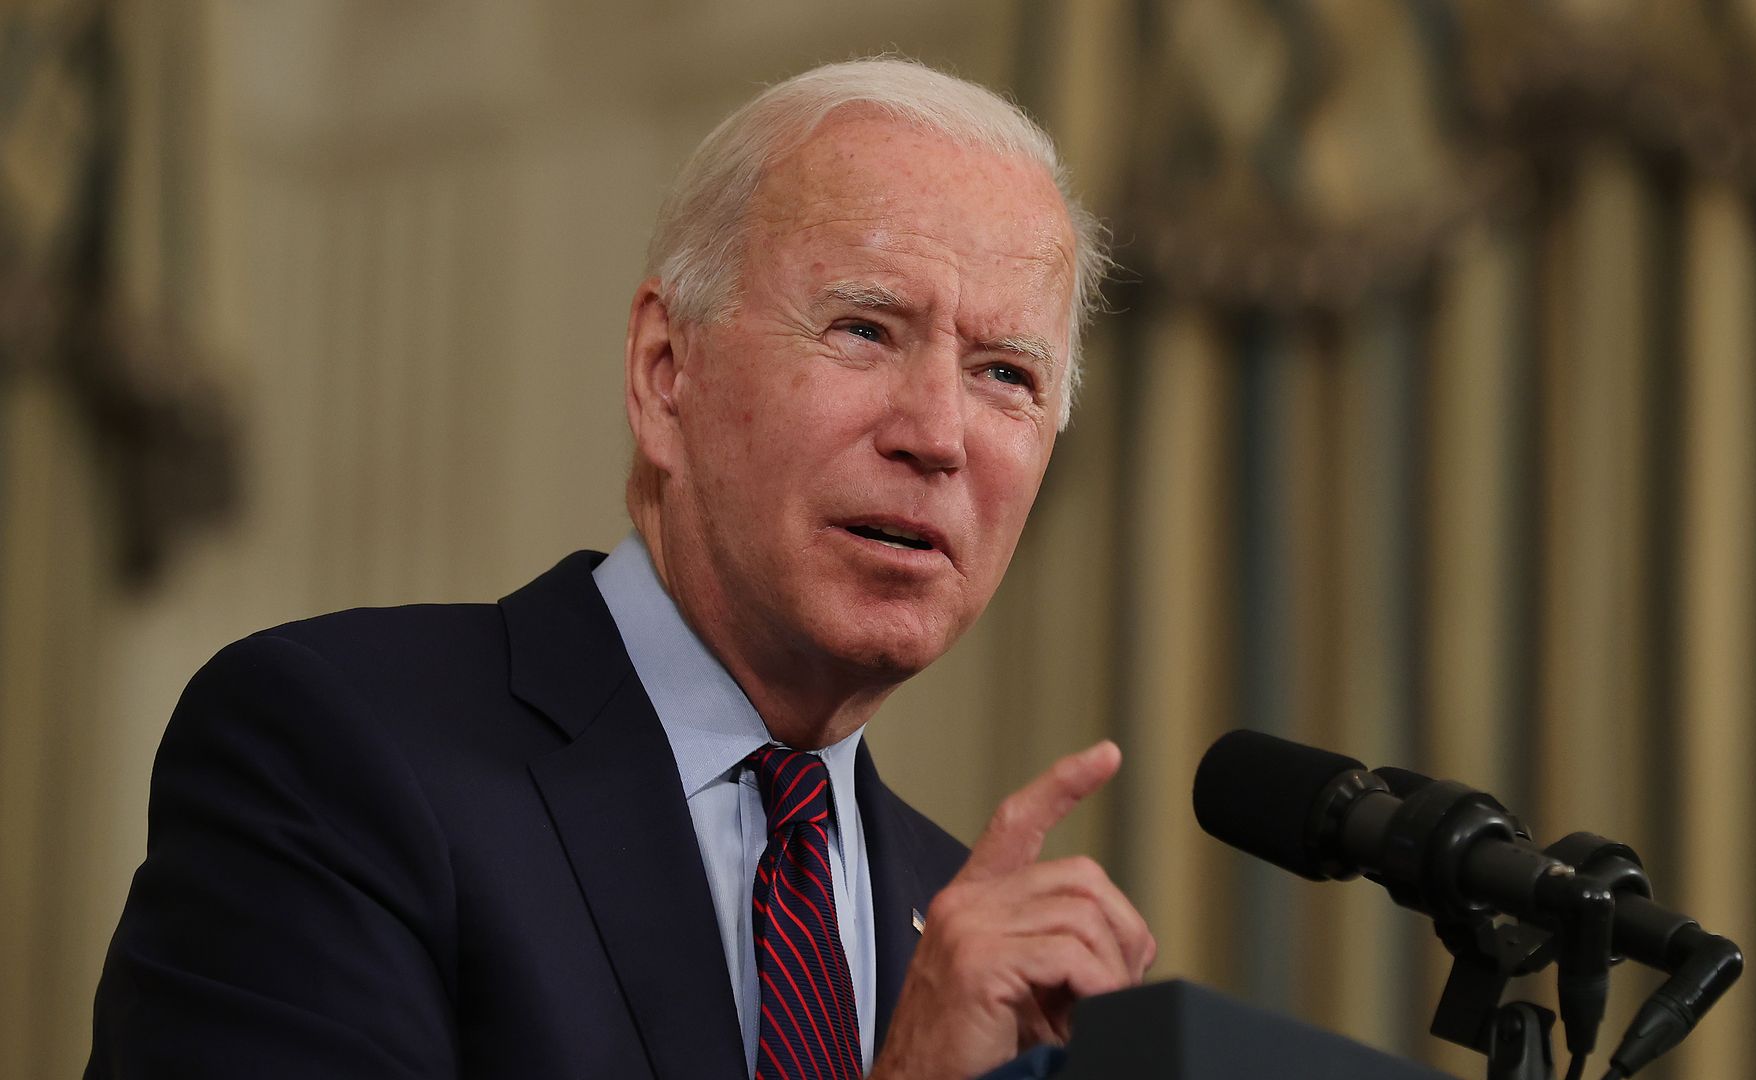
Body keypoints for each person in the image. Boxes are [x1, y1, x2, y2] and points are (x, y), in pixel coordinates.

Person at [86, 58, 1154, 1080]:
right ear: (665, 372)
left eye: (1005, 374)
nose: (938, 435)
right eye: (865, 329)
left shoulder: (962, 933)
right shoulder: (333, 752)